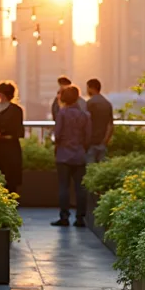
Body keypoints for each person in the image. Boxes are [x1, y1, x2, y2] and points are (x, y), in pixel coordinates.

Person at [52, 85, 91, 227]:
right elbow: (88, 137)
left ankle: (64, 217)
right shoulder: (85, 115)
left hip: (63, 155)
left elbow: (57, 135)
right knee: (80, 188)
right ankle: (80, 218)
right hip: (79, 155)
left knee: (63, 187)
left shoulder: (62, 114)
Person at [0, 81, 24, 194]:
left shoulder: (16, 110)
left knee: (11, 175)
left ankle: (10, 200)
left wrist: (2, 133)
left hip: (10, 145)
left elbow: (18, 130)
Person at [85, 78, 114, 163]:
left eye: (87, 88)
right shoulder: (107, 103)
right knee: (101, 170)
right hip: (103, 142)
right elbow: (110, 125)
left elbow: (86, 123)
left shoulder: (89, 104)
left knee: (90, 170)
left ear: (91, 88)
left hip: (91, 142)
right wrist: (105, 140)